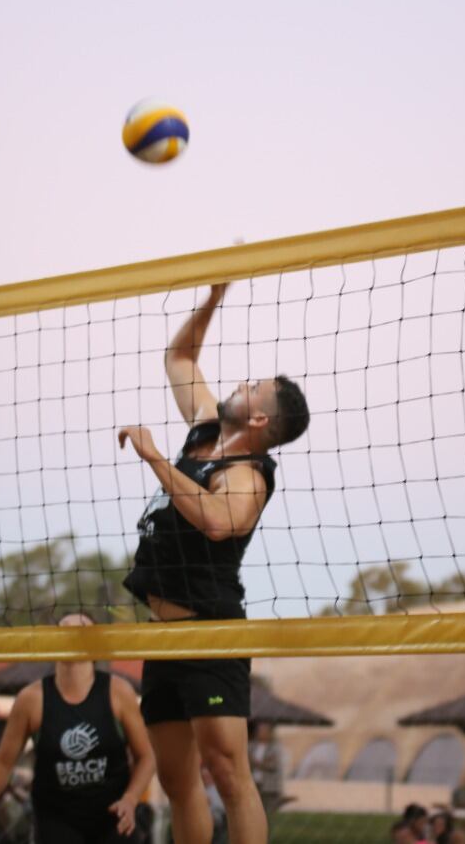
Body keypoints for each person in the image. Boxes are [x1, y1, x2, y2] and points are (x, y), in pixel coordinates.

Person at [119, 282, 310, 844]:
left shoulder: (249, 472)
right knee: (178, 784)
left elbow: (220, 521)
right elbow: (180, 357)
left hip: (210, 634)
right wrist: (215, 295)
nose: (241, 383)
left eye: (254, 387)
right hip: (163, 639)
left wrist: (155, 457)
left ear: (258, 421)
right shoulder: (205, 429)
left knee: (229, 775)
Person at [0, 614, 156, 844]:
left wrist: (131, 799)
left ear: (94, 644)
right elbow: (3, 763)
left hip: (113, 813)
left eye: (80, 630)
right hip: (56, 816)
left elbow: (146, 756)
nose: (70, 636)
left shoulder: (118, 692)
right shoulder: (31, 699)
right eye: (63, 630)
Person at [247, 721, 285, 818]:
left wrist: (256, 762)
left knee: (266, 812)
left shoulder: (275, 748)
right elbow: (246, 762)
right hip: (253, 782)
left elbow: (273, 765)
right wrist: (263, 762)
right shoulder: (251, 746)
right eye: (259, 731)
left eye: (263, 731)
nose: (261, 733)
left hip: (267, 785)